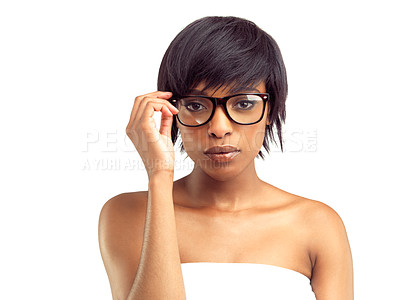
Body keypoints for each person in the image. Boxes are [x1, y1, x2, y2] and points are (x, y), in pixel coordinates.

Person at [98, 16, 354, 300]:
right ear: (171, 110)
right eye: (196, 104)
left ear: (271, 110)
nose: (219, 128)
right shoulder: (128, 213)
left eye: (244, 103)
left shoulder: (317, 224)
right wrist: (159, 176)